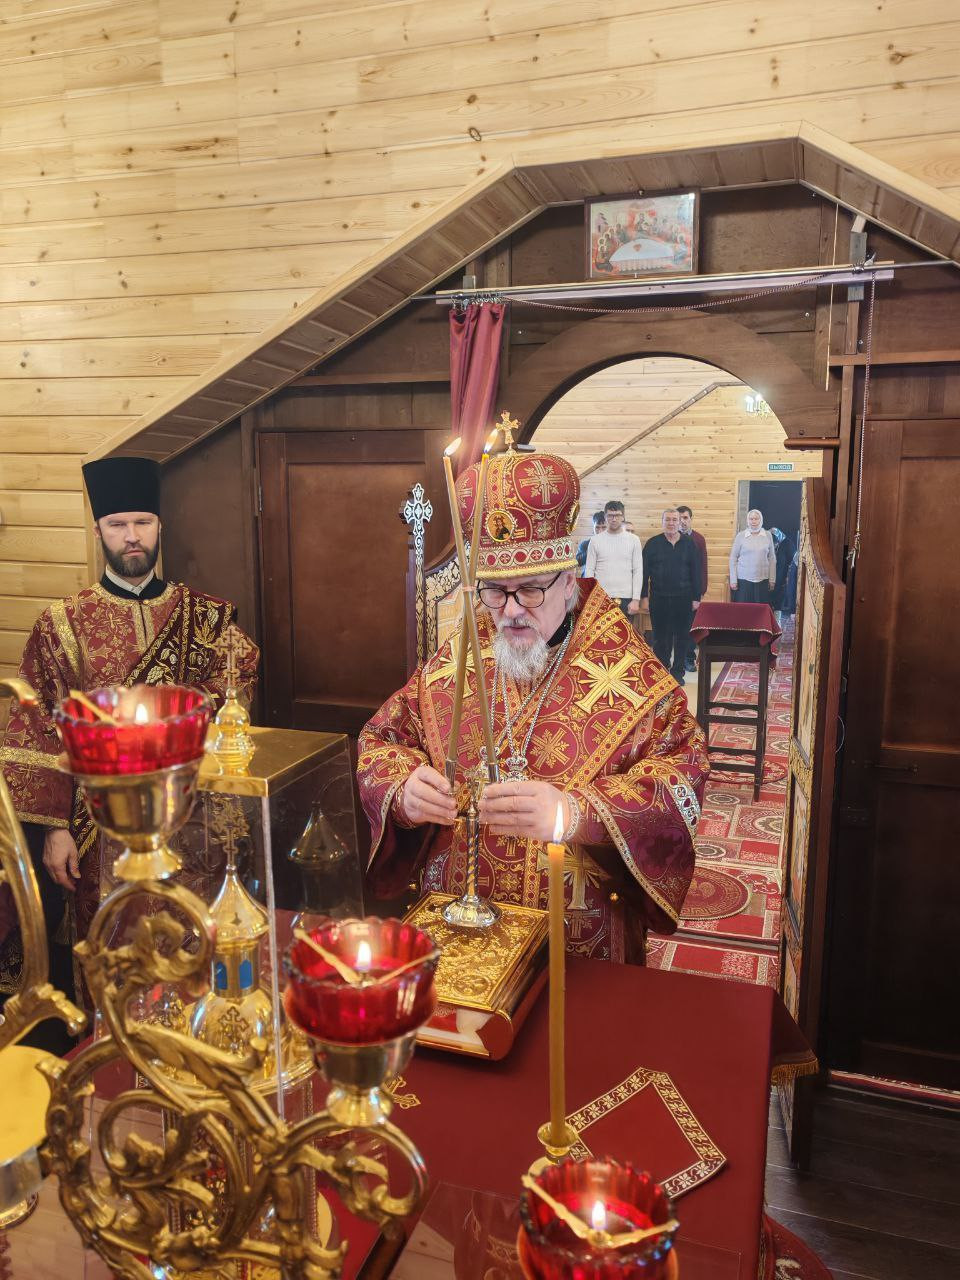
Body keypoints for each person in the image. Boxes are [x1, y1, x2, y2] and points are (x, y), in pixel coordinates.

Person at [357, 444, 707, 964]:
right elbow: (382, 739)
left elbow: (682, 776)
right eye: (495, 592)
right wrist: (403, 791)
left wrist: (577, 811)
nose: (510, 611)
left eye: (529, 591)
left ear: (568, 581)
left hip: (578, 944)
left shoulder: (630, 672)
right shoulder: (464, 650)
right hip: (455, 928)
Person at [0, 456, 259, 1012]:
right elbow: (39, 730)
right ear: (99, 531)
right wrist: (54, 830)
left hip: (192, 821)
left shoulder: (206, 618)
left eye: (142, 522)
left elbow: (234, 697)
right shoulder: (62, 624)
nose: (132, 536)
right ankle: (116, 1048)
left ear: (159, 526)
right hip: (102, 829)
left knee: (194, 948)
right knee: (116, 952)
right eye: (118, 525)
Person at [640, 509, 702, 683]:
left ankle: (677, 673)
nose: (671, 523)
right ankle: (661, 672)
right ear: (662, 522)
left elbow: (696, 572)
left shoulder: (689, 544)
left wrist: (696, 598)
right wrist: (644, 597)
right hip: (659, 598)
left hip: (684, 598)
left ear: (679, 522)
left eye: (675, 520)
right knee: (660, 638)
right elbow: (644, 574)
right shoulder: (652, 544)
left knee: (682, 637)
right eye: (667, 520)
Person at [585, 500, 644, 620]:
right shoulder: (595, 541)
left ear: (623, 517)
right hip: (600, 597)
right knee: (601, 633)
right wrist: (590, 597)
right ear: (605, 517)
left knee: (624, 633)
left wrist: (636, 599)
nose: (614, 519)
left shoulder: (634, 540)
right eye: (610, 515)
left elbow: (638, 571)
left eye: (617, 515)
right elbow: (589, 570)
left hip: (626, 598)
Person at [677, 505, 708, 673]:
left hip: (692, 591)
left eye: (685, 518)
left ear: (690, 519)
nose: (682, 521)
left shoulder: (698, 539)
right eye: (680, 518)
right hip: (674, 591)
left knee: (690, 625)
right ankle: (677, 660)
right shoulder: (671, 538)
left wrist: (701, 590)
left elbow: (703, 565)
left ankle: (689, 658)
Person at [729, 509, 776, 603]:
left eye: (756, 519)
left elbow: (772, 558)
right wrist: (733, 579)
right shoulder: (740, 536)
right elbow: (733, 558)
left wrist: (772, 579)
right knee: (744, 609)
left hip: (763, 580)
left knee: (760, 609)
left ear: (761, 520)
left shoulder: (768, 535)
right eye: (751, 519)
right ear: (748, 520)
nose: (753, 521)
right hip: (743, 581)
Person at [770, 527, 796, 621]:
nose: (774, 545)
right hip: (767, 578)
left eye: (775, 543)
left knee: (778, 604)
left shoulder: (788, 544)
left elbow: (792, 563)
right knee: (767, 603)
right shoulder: (765, 542)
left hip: (781, 579)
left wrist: (788, 577)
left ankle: (777, 623)